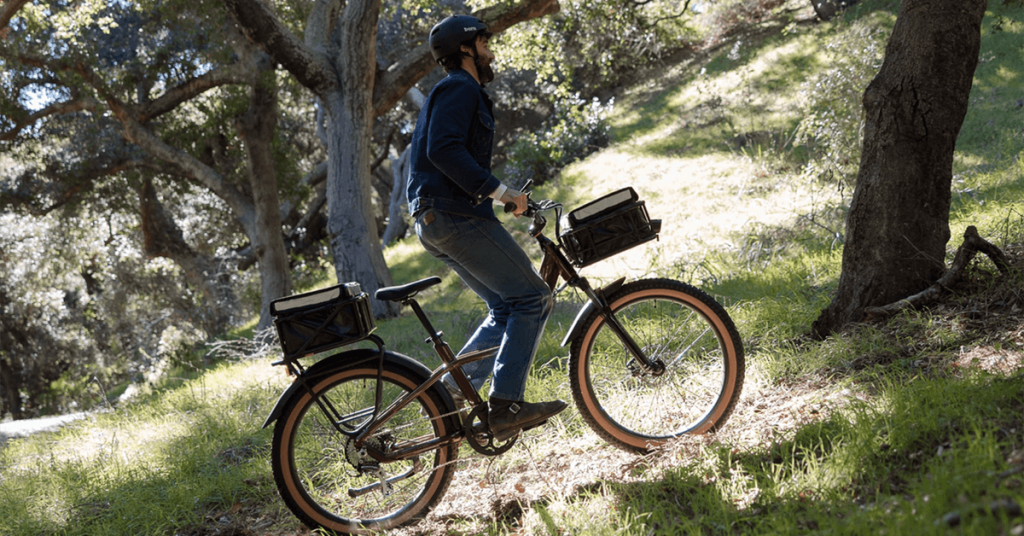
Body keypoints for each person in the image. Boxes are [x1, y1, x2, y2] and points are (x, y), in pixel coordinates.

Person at [406, 15, 567, 443]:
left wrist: (504, 196)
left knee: (506, 307)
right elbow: (443, 150)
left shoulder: (452, 91)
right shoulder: (461, 87)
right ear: (466, 49)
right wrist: (500, 192)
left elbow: (441, 153)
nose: (490, 51)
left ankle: (444, 400)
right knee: (533, 297)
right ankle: (506, 404)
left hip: (437, 219)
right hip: (454, 217)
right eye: (484, 43)